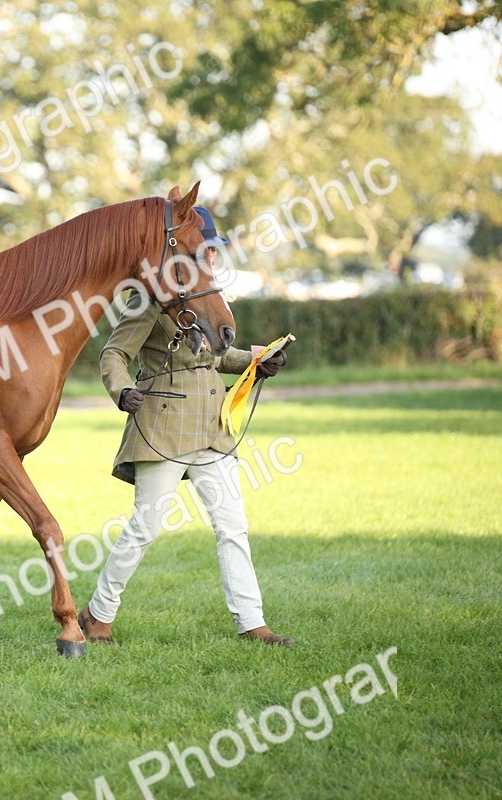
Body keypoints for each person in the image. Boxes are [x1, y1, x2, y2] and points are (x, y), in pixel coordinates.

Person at [79, 205, 294, 647]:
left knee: (232, 526)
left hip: (212, 428)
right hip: (163, 428)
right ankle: (98, 615)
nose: (212, 256)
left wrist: (257, 360)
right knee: (145, 527)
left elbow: (214, 358)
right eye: (207, 248)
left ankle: (252, 623)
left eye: (214, 249)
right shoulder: (150, 296)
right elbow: (113, 354)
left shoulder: (207, 295)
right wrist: (122, 392)